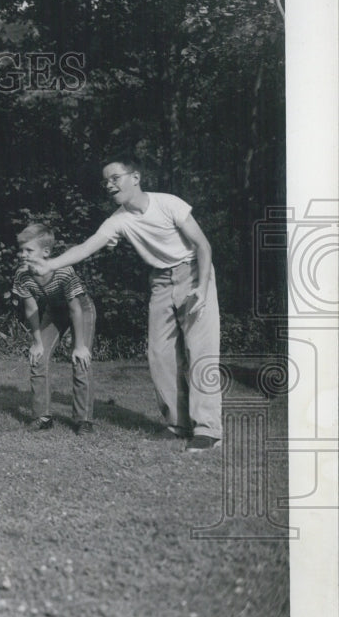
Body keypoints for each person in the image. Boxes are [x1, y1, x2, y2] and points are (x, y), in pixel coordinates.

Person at [28, 155, 221, 451]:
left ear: (135, 177)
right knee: (159, 354)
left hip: (194, 272)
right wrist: (49, 264)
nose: (109, 184)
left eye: (115, 177)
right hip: (160, 280)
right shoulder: (118, 220)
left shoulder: (169, 203)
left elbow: (203, 245)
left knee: (200, 352)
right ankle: (178, 424)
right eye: (105, 181)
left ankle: (207, 429)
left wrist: (202, 287)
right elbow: (86, 247)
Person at [12, 224, 96, 435]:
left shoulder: (63, 271)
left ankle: (83, 420)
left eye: (29, 250)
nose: (23, 254)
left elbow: (75, 309)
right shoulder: (22, 276)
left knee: (80, 360)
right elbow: (31, 308)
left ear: (46, 252)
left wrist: (78, 346)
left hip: (81, 310)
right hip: (53, 312)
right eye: (21, 249)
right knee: (38, 358)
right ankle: (42, 416)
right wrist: (37, 342)